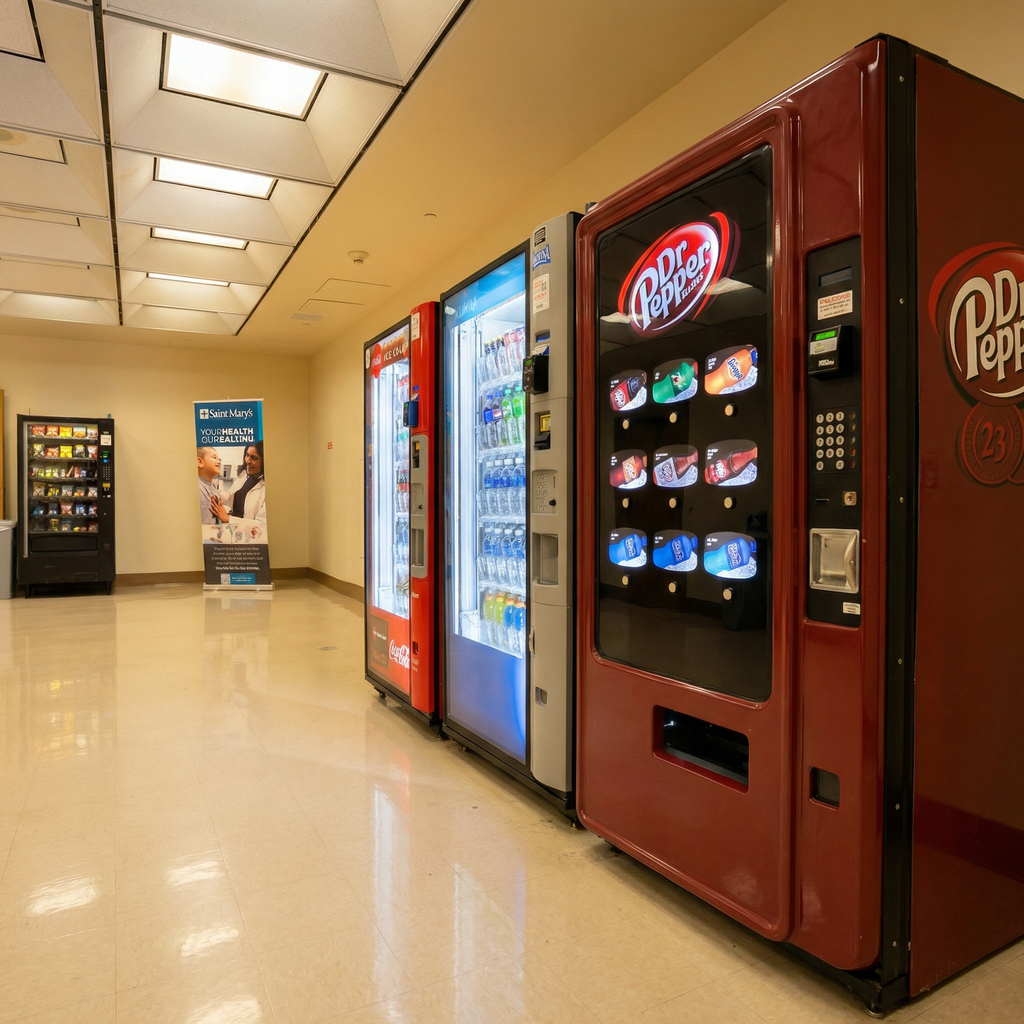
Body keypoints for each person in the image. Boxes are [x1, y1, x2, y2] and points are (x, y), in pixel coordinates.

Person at [210, 440, 268, 542]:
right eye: (247, 455)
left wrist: (228, 518)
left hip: (251, 540)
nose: (248, 461)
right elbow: (230, 498)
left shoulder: (267, 488)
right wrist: (213, 481)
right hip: (233, 533)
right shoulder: (244, 477)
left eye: (254, 458)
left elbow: (261, 525)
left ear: (264, 461)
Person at [196, 447, 222, 525]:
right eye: (214, 457)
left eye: (219, 458)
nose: (219, 460)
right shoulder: (196, 487)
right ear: (200, 462)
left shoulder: (214, 489)